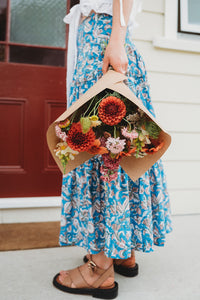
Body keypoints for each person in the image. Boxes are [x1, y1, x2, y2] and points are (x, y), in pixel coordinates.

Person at [52, 0, 173, 298]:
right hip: (108, 39)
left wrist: (115, 41)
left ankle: (100, 268)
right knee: (123, 147)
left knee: (105, 150)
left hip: (104, 41)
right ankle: (122, 251)